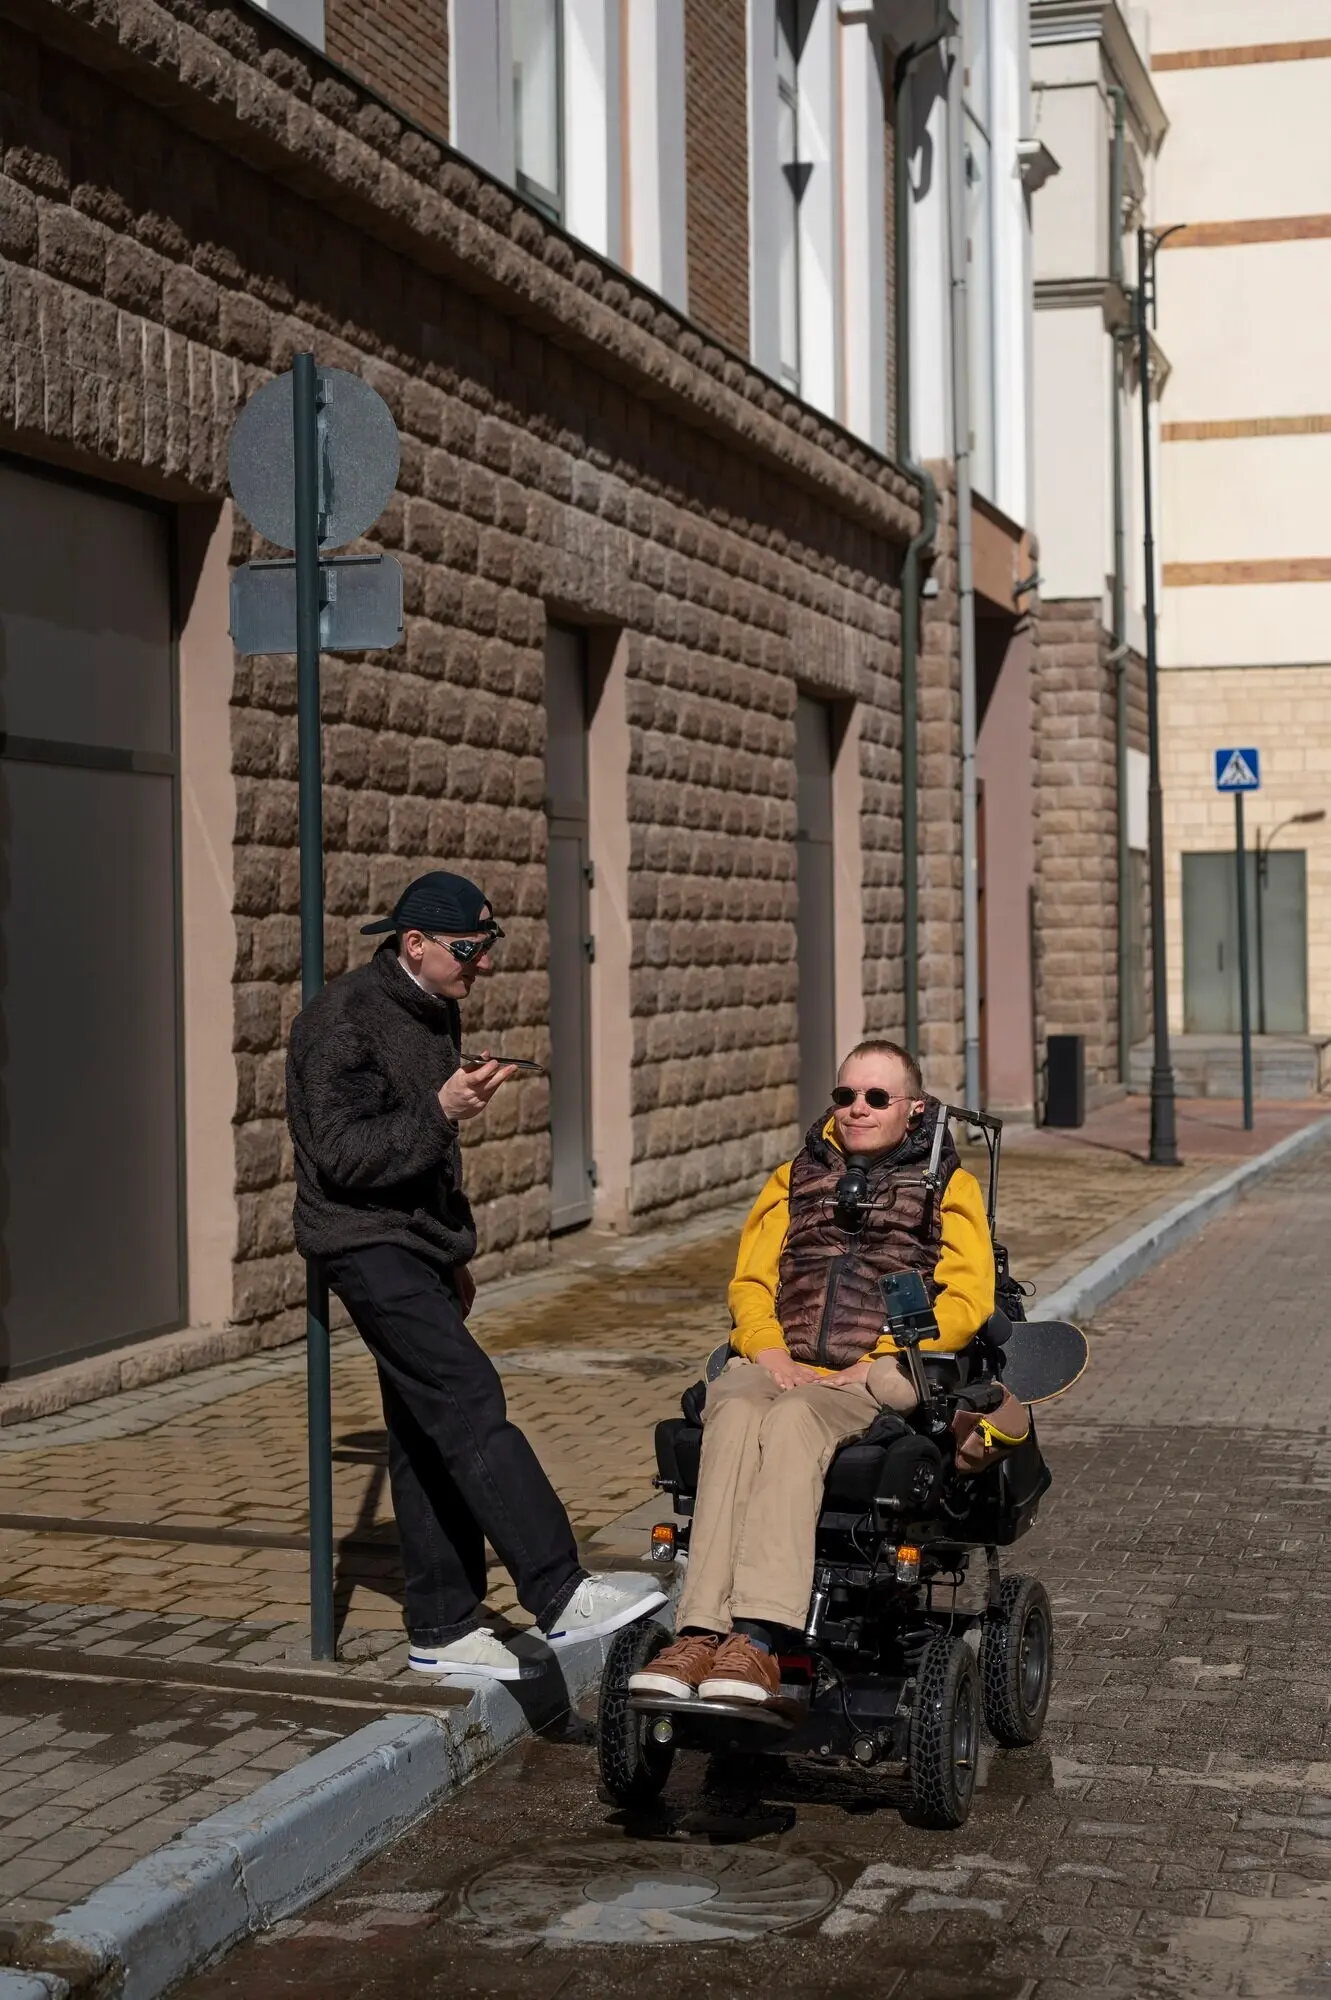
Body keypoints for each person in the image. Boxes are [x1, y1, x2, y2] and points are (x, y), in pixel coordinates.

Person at [286, 870, 665, 1680]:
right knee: (467, 1401)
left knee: (427, 1431)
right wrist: (443, 1110)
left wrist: (453, 1253)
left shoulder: (433, 1004)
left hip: (415, 1244)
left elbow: (425, 1159)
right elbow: (343, 1156)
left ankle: (443, 1627)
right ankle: (559, 1593)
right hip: (363, 1241)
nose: (481, 965)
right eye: (468, 949)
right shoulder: (341, 1022)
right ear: (413, 943)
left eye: (488, 946)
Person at [630, 1040, 995, 1709]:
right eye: (845, 1095)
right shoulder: (793, 1178)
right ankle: (700, 1633)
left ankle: (760, 1641)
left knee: (795, 1420)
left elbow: (967, 1301)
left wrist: (871, 1358)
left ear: (911, 1110)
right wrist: (766, 1351)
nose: (857, 1109)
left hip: (882, 1365)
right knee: (734, 1407)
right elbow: (749, 1283)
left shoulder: (949, 1185)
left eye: (876, 1097)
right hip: (781, 1358)